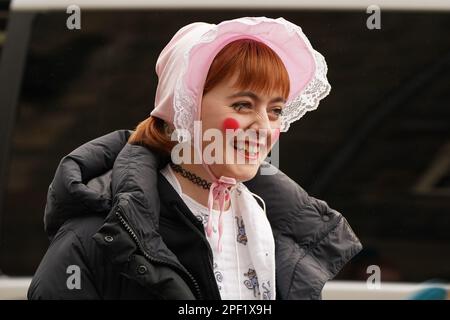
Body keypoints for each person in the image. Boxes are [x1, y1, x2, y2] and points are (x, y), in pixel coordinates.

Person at [28, 16, 362, 300]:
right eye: (243, 105)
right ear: (186, 109)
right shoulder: (97, 237)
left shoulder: (274, 223)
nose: (264, 127)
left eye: (275, 110)